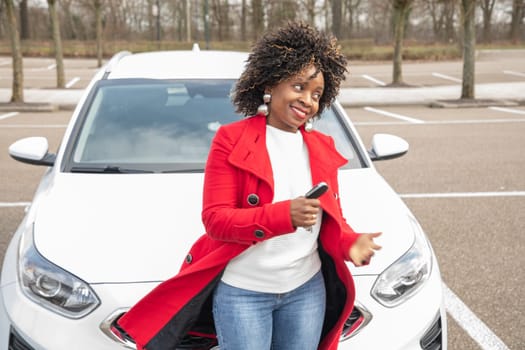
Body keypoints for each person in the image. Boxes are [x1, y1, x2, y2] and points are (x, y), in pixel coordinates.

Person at [117, 21, 382, 350]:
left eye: (316, 94)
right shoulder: (231, 140)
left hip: (306, 290)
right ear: (271, 83)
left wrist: (350, 242)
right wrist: (285, 215)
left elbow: (330, 220)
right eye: (299, 87)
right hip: (244, 292)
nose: (308, 100)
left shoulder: (323, 147)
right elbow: (216, 220)